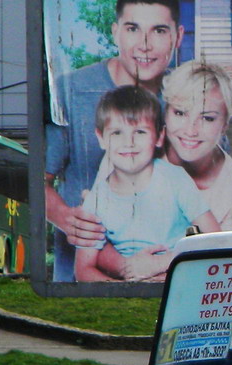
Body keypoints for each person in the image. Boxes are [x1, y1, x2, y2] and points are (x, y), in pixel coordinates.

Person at [45, 0, 185, 282]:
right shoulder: (70, 91)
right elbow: (35, 181)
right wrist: (63, 216)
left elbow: (211, 188)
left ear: (177, 37)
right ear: (115, 32)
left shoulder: (188, 97)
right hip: (83, 287)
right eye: (133, 28)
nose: (144, 44)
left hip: (170, 281)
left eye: (158, 30)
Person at [99, 60, 232, 281]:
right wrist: (129, 268)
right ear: (166, 112)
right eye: (180, 113)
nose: (191, 130)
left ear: (225, 125)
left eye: (207, 118)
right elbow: (92, 240)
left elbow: (216, 260)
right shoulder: (127, 150)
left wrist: (161, 265)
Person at [73, 86, 220, 282]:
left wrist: (162, 263)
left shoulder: (175, 179)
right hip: (127, 290)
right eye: (117, 133)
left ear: (159, 137)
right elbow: (83, 270)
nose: (129, 142)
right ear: (101, 138)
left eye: (140, 132)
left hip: (177, 279)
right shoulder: (95, 199)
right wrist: (122, 289)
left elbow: (217, 240)